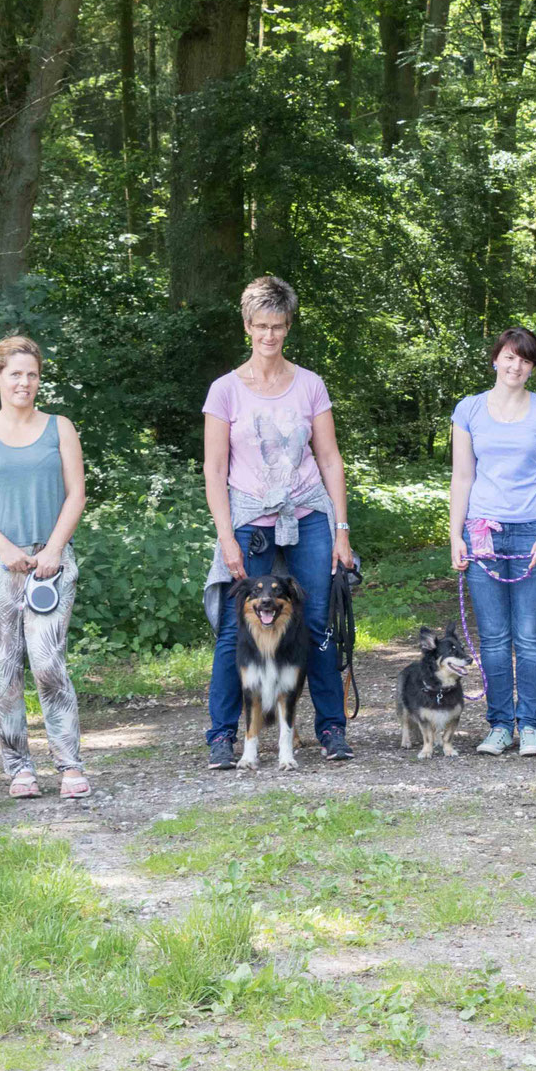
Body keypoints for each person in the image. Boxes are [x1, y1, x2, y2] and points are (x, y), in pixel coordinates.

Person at [202, 276, 360, 769]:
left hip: (309, 514)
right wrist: (225, 537)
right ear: (247, 327)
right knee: (235, 628)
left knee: (317, 622)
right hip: (249, 519)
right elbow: (214, 469)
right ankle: (222, 735)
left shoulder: (310, 384)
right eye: (261, 326)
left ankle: (331, 729)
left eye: (277, 326)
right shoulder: (225, 390)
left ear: (288, 326)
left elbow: (329, 458)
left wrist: (341, 530)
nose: (269, 335)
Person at [0, 336, 90, 800]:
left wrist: (54, 549)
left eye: (32, 374)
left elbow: (76, 494)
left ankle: (70, 765)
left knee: (49, 663)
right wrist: (4, 548)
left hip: (50, 562)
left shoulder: (59, 428)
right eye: (15, 373)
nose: (24, 382)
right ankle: (19, 769)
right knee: (3, 668)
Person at [449, 327, 536, 757]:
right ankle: (499, 725)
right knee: (494, 637)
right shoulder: (469, 410)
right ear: (495, 359)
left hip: (531, 531)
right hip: (482, 532)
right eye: (510, 357)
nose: (516, 366)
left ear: (533, 367)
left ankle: (530, 726)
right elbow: (463, 476)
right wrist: (455, 535)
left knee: (530, 637)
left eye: (525, 359)